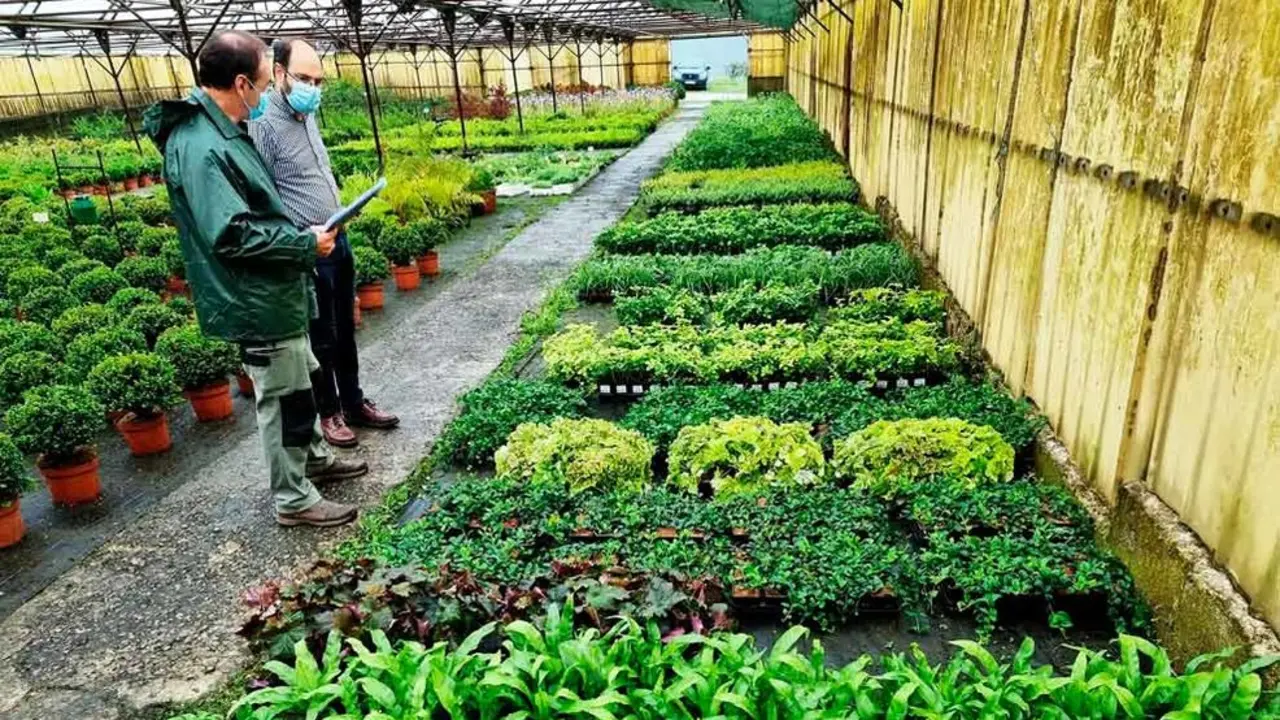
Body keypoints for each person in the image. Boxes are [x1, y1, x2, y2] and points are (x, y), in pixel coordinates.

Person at [143, 30, 367, 528]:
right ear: (241, 82)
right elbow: (232, 235)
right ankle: (293, 498)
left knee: (301, 379)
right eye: (265, 85)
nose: (267, 95)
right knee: (282, 399)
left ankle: (312, 461)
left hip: (277, 290)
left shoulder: (223, 131)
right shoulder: (201, 146)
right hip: (254, 298)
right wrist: (306, 244)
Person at [249, 38, 399, 449]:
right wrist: (299, 239)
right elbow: (259, 197)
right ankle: (329, 412)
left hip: (338, 239)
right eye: (304, 79)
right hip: (308, 248)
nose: (313, 88)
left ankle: (353, 401)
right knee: (321, 335)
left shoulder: (307, 114)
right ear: (278, 73)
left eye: (318, 80)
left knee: (345, 328)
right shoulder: (263, 126)